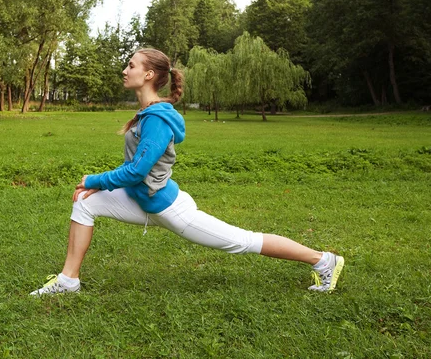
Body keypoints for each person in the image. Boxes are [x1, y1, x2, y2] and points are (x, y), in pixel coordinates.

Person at [30, 48, 344, 296]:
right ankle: (68, 280)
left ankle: (323, 260)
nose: (125, 70)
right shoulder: (147, 113)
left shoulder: (157, 119)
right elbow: (134, 168)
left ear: (149, 74)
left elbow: (138, 170)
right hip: (142, 200)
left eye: (131, 65)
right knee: (84, 202)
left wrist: (94, 179)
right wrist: (96, 188)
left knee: (243, 241)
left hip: (168, 208)